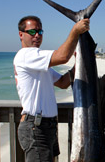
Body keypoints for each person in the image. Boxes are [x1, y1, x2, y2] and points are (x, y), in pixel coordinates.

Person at [14, 15, 89, 162]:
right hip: (36, 129)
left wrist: (78, 64)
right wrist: (75, 31)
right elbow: (62, 57)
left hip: (48, 126)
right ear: (21, 34)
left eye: (40, 32)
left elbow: (62, 82)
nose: (37, 35)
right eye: (32, 32)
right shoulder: (26, 55)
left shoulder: (40, 63)